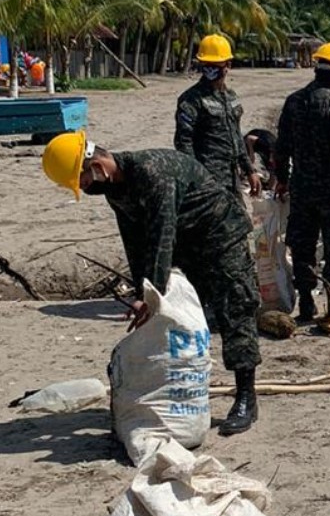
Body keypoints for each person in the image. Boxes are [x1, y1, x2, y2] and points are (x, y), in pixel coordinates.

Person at [41, 132, 263, 435]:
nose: (85, 188)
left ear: (95, 164)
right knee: (188, 319)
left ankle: (246, 398)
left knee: (236, 310)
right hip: (188, 244)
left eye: (84, 181)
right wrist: (141, 292)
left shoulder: (153, 173)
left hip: (220, 237)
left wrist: (151, 292)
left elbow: (162, 233)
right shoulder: (116, 190)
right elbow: (134, 241)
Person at [272, 41, 330, 323]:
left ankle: (305, 304)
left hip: (302, 188)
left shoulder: (294, 101)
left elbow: (282, 147)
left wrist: (282, 180)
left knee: (303, 245)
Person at [175, 34, 259, 200]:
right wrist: (197, 177)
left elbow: (236, 136)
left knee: (239, 222)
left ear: (228, 65)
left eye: (215, 65)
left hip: (233, 177)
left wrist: (250, 170)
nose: (210, 69)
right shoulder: (191, 99)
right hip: (208, 177)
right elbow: (183, 142)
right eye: (207, 64)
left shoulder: (231, 97)